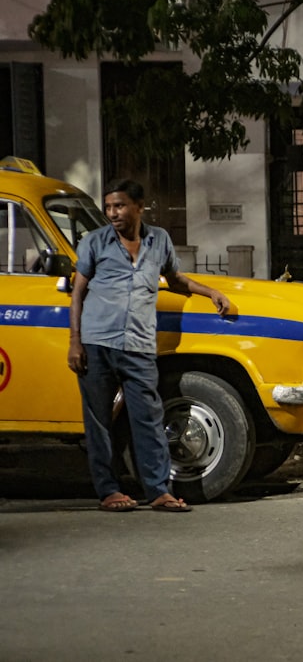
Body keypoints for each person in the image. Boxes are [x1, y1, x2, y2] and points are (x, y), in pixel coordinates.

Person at [68, 179, 230, 512]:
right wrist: (75, 343)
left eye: (120, 205)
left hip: (140, 346)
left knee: (148, 419)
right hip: (97, 344)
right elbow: (78, 293)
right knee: (99, 422)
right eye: (109, 206)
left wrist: (211, 292)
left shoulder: (159, 241)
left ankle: (158, 491)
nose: (112, 213)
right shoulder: (95, 243)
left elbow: (175, 280)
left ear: (140, 207)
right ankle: (109, 491)